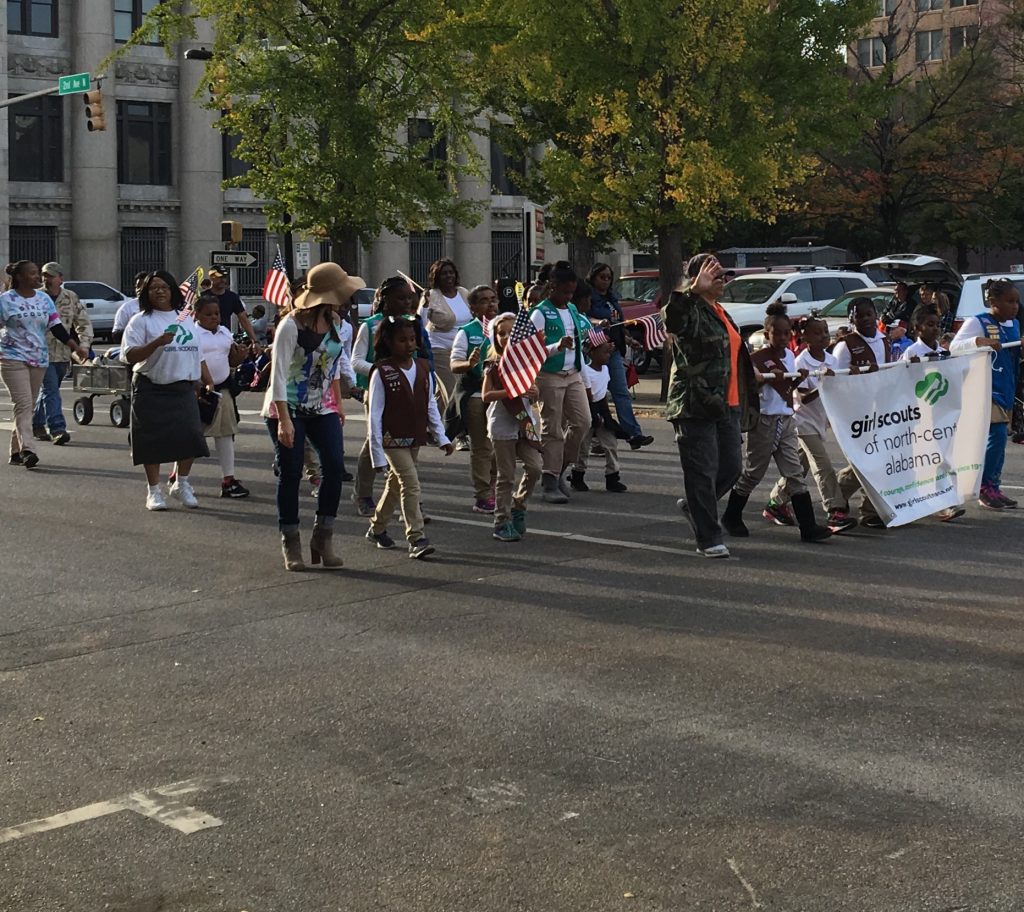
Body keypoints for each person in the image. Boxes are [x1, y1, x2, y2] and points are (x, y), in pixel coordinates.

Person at [263, 262, 363, 570]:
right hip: (288, 407)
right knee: (291, 473)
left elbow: (332, 363)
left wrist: (339, 402)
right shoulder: (291, 326)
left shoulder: (336, 323)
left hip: (323, 407)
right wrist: (284, 420)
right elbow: (278, 376)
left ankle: (323, 536)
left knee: (334, 468)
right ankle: (290, 539)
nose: (345, 300)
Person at [663, 254, 758, 558]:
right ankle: (709, 537)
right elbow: (673, 319)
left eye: (723, 275)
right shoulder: (689, 309)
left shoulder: (721, 312)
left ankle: (695, 506)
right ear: (697, 278)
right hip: (695, 402)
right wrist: (691, 290)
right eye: (715, 275)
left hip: (726, 403)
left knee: (731, 468)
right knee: (701, 472)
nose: (722, 280)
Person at [720, 304, 832, 543]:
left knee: (795, 474)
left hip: (786, 419)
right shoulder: (757, 359)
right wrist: (764, 381)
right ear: (767, 333)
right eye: (776, 333)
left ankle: (808, 527)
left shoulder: (790, 356)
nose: (782, 338)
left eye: (786, 333)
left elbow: (789, 390)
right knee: (753, 472)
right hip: (764, 421)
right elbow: (749, 389)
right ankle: (731, 515)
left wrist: (796, 379)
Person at [365, 316, 453, 559]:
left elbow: (430, 406)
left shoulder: (424, 367)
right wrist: (377, 456)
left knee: (397, 484)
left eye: (412, 339)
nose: (409, 344)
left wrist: (441, 436)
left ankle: (377, 527)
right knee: (411, 484)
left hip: (414, 436)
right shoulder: (382, 372)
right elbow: (374, 416)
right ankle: (416, 537)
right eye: (402, 340)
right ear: (388, 342)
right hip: (391, 440)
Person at [120, 271, 210, 510]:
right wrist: (157, 342)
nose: (159, 291)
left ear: (172, 290)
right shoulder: (141, 320)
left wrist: (203, 379)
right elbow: (129, 356)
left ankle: (181, 483)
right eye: (153, 288)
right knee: (152, 441)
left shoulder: (185, 317)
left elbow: (196, 352)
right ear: (146, 293)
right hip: (151, 386)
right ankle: (153, 491)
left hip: (183, 387)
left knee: (191, 437)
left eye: (164, 287)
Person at [764, 316, 857, 533]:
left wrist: (848, 377)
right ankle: (835, 510)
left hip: (820, 421)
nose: (824, 336)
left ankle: (775, 504)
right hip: (802, 422)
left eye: (826, 331)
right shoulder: (800, 362)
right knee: (822, 465)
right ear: (804, 337)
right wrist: (823, 383)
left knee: (798, 468)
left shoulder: (832, 360)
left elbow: (840, 389)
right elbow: (803, 397)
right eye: (818, 333)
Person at [351, 276, 430, 515]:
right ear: (386, 300)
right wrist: (381, 371)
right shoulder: (371, 325)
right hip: (378, 391)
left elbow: (421, 357)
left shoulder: (412, 323)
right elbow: (356, 361)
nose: (407, 302)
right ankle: (363, 493)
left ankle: (410, 498)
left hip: (408, 392)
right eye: (401, 298)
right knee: (375, 439)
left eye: (409, 298)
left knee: (410, 440)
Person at [1, 261, 88, 468]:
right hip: (12, 358)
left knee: (27, 406)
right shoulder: (5, 300)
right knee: (23, 404)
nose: (37, 277)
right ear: (20, 277)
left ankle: (15, 451)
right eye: (32, 273)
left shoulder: (43, 299)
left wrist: (75, 346)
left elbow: (56, 327)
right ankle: (28, 449)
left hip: (39, 357)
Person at [951, 278, 1022, 510]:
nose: (1015, 306)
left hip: (1007, 385)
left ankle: (994, 485)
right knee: (998, 435)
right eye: (1009, 301)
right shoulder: (978, 322)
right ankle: (983, 486)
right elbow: (954, 347)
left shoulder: (1014, 325)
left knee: (1000, 439)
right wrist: (978, 341)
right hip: (986, 387)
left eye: (1017, 302)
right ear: (993, 302)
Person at [529, 261, 593, 503]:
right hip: (549, 375)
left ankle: (559, 467)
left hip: (573, 373)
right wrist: (556, 346)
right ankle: (549, 479)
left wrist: (586, 383)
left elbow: (578, 349)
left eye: (571, 293)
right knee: (552, 427)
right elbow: (530, 350)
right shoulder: (539, 313)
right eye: (565, 292)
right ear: (552, 287)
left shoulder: (574, 311)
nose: (568, 297)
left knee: (583, 422)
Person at [833, 296, 893, 529]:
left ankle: (870, 510)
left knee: (879, 458)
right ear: (852, 319)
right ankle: (837, 495)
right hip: (857, 412)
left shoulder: (884, 340)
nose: (866, 319)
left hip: (882, 409)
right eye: (859, 316)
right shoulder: (845, 345)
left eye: (869, 314)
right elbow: (834, 381)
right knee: (865, 460)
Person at [482, 312, 543, 542]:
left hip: (524, 423)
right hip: (502, 426)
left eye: (511, 333)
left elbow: (532, 395)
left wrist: (534, 393)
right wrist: (512, 392)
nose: (506, 337)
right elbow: (487, 395)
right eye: (501, 333)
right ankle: (501, 521)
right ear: (494, 337)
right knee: (505, 476)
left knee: (535, 467)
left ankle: (519, 504)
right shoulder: (493, 366)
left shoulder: (526, 364)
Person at [587, 263, 654, 450]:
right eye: (602, 277)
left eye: (609, 277)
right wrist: (598, 322)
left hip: (614, 351)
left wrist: (628, 339)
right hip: (595, 352)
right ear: (593, 278)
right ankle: (595, 436)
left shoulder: (612, 298)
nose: (606, 281)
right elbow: (583, 318)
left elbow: (618, 323)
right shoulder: (589, 297)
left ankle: (634, 433)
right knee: (595, 397)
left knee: (621, 393)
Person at [193, 293, 251, 498]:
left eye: (217, 313)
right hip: (199, 390)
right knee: (191, 436)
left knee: (226, 434)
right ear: (196, 315)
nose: (214, 317)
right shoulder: (192, 334)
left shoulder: (225, 332)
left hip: (223, 388)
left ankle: (229, 480)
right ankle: (178, 477)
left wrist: (239, 356)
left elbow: (231, 360)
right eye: (208, 314)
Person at [448, 284, 499, 514]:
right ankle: (483, 495)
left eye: (493, 299)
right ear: (473, 308)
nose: (491, 304)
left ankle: (495, 488)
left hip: (500, 396)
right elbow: (454, 364)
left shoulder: (503, 328)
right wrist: (469, 363)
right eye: (485, 301)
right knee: (482, 448)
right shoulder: (467, 332)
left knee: (500, 447)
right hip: (477, 396)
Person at [32, 261, 93, 446]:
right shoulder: (37, 297)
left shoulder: (70, 297)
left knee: (50, 391)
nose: (46, 279)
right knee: (51, 390)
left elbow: (83, 323)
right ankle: (57, 429)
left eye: (50, 275)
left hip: (63, 354)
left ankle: (36, 422)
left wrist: (84, 345)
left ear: (60, 278)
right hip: (41, 353)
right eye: (44, 275)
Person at [571, 331, 629, 493]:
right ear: (592, 353)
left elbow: (602, 394)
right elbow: (584, 396)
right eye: (604, 352)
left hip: (601, 412)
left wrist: (607, 416)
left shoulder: (605, 370)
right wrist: (592, 414)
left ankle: (612, 477)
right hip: (587, 411)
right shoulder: (586, 372)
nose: (607, 356)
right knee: (583, 446)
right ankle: (578, 476)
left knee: (610, 444)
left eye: (608, 352)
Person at [418, 257, 471, 409]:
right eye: (444, 274)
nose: (448, 276)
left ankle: (434, 425)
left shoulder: (463, 292)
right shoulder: (431, 295)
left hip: (461, 349)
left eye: (451, 273)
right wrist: (426, 305)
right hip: (439, 348)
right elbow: (421, 321)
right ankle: (456, 428)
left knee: (443, 394)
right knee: (452, 389)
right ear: (437, 277)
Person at [209, 269, 257, 344]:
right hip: (205, 337)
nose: (222, 280)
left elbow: (244, 320)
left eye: (224, 277)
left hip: (224, 339)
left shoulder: (232, 297)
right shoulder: (203, 297)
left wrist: (255, 341)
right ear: (211, 278)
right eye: (219, 277)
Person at [112, 272, 149, 343]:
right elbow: (116, 336)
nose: (140, 289)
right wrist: (133, 328)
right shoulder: (127, 308)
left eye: (144, 286)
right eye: (137, 286)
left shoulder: (162, 307)